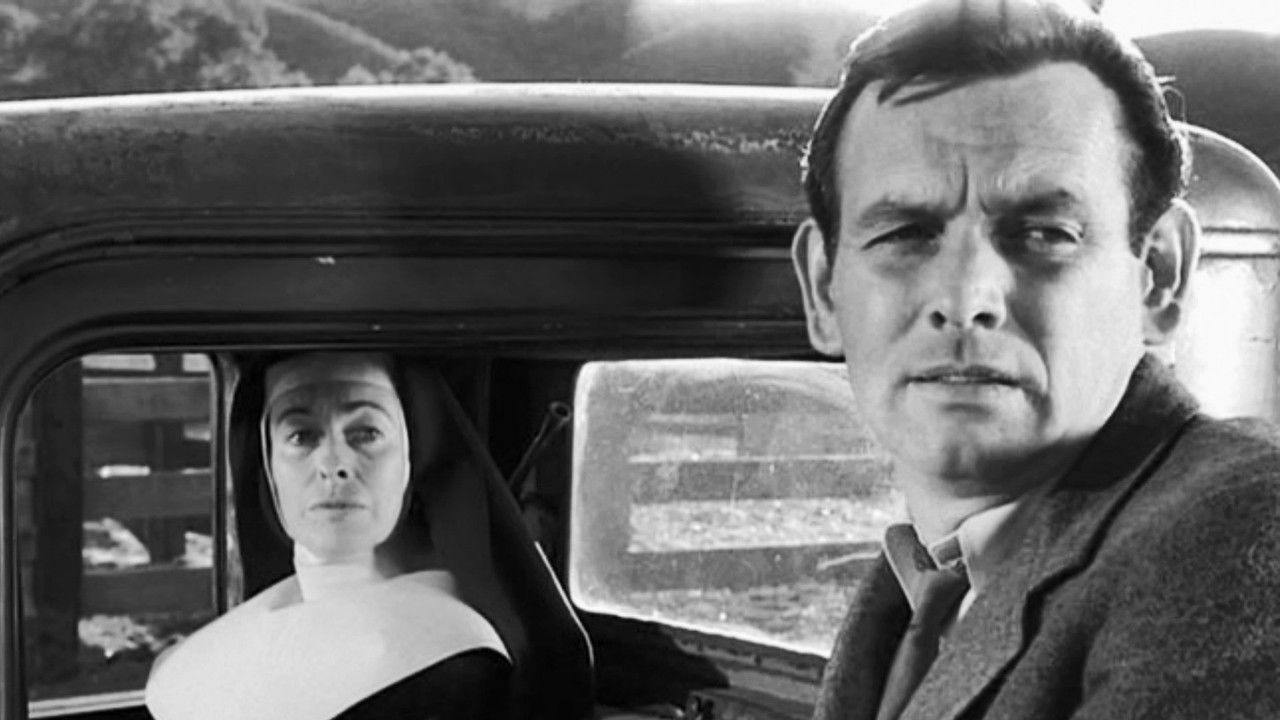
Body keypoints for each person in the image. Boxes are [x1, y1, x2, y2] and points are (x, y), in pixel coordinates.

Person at [790, 1, 1280, 718]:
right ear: (822, 290)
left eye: (1044, 233)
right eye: (904, 233)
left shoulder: (1240, 539)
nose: (965, 299)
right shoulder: (918, 584)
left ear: (1159, 276)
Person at [145, 352, 513, 720]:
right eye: (302, 436)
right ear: (269, 469)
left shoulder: (456, 665)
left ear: (410, 459)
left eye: (366, 434)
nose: (333, 465)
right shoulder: (210, 650)